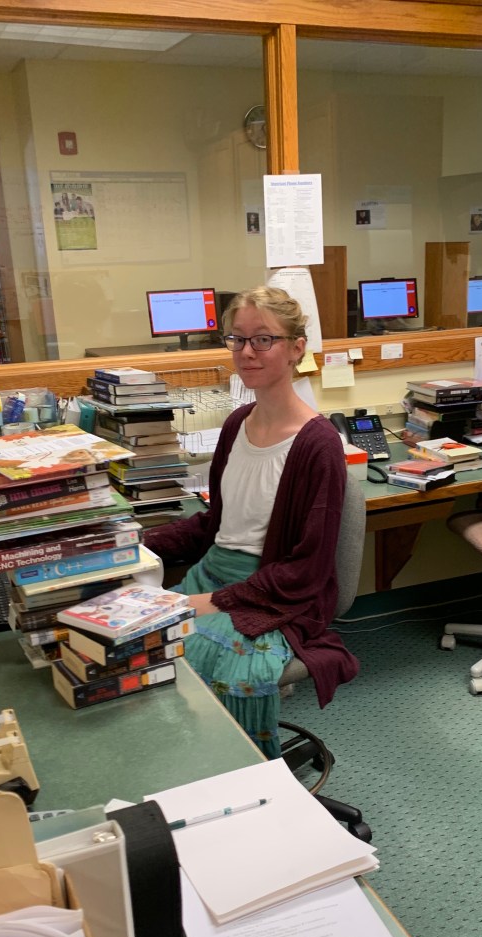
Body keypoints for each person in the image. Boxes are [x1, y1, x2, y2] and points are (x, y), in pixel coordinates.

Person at [144, 286, 359, 758]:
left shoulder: (317, 444)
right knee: (143, 647)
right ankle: (184, 767)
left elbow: (305, 570)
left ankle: (249, 776)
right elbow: (214, 525)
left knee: (219, 666)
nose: (247, 351)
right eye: (237, 339)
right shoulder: (236, 423)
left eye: (264, 339)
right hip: (213, 575)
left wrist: (213, 602)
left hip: (276, 596)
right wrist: (138, 544)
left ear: (296, 348)